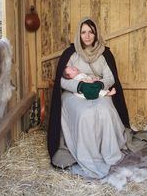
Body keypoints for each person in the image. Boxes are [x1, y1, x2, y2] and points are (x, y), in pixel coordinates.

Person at [47, 18, 130, 179]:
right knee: (85, 114)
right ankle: (89, 155)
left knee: (105, 110)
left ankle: (108, 151)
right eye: (83, 32)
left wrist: (99, 85)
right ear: (79, 34)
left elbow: (110, 77)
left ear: (96, 33)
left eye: (90, 32)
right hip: (75, 92)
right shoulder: (70, 54)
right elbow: (62, 80)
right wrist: (79, 86)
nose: (87, 36)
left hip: (98, 89)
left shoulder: (104, 53)